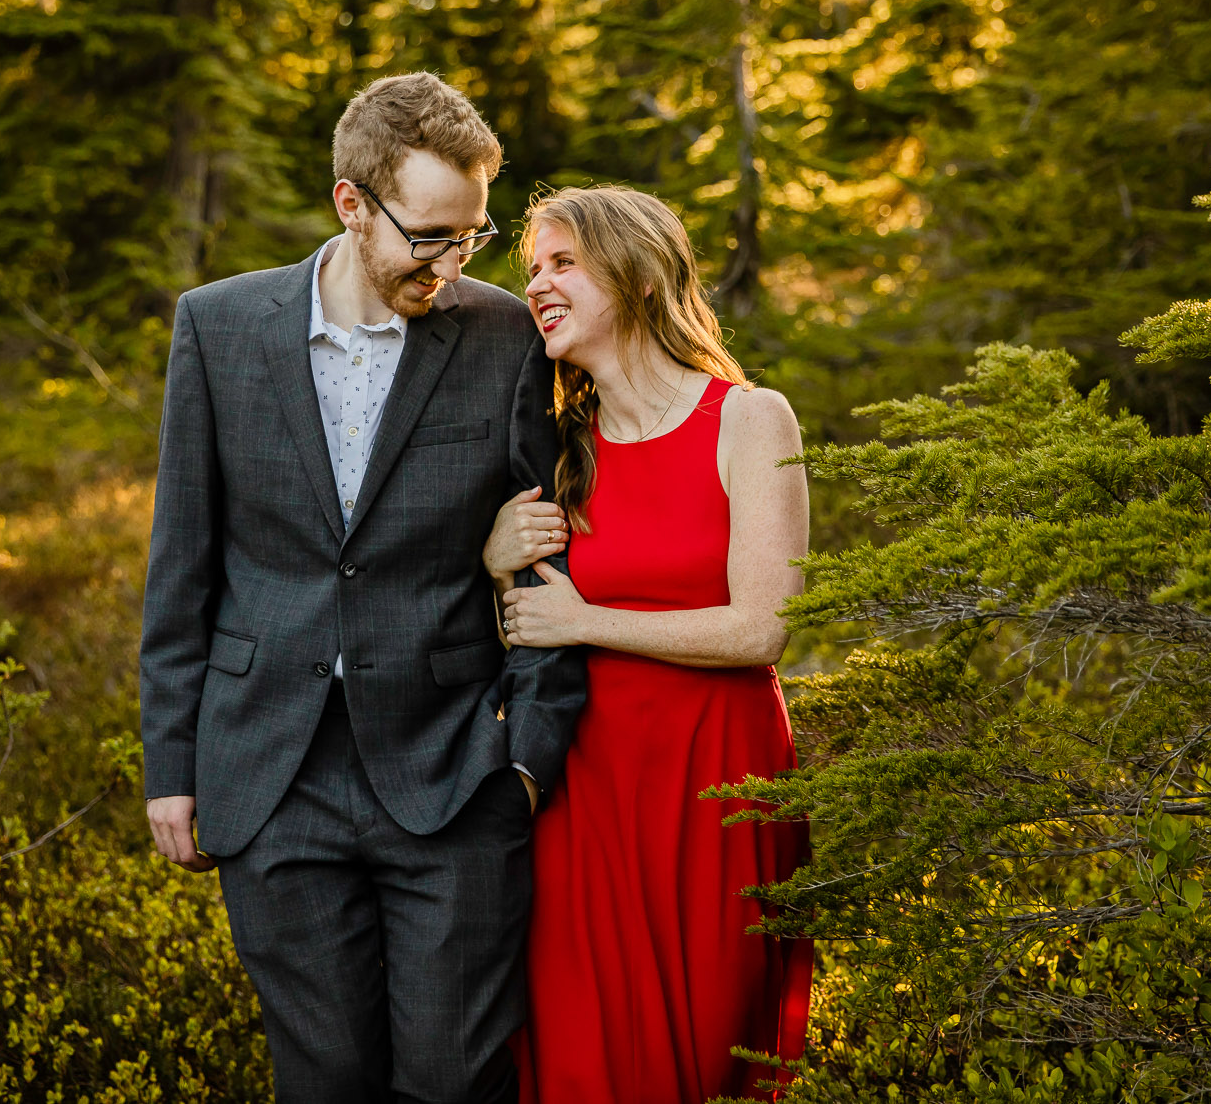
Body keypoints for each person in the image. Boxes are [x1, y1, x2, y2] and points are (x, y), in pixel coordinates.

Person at [138, 73, 587, 1104]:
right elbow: (183, 561)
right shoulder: (218, 327)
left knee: (451, 1080)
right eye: (428, 235)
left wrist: (524, 759)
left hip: (453, 774)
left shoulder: (504, 335)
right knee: (325, 1081)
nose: (448, 261)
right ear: (350, 203)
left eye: (468, 236)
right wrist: (172, 762)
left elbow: (546, 548)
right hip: (269, 776)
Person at [485, 186, 813, 1102]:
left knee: (709, 1051)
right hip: (583, 783)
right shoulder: (560, 445)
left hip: (718, 775)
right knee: (580, 1048)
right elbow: (497, 623)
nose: (537, 287)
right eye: (532, 269)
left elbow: (764, 625)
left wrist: (588, 621)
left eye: (561, 264)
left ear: (631, 273)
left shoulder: (749, 420)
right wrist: (490, 558)